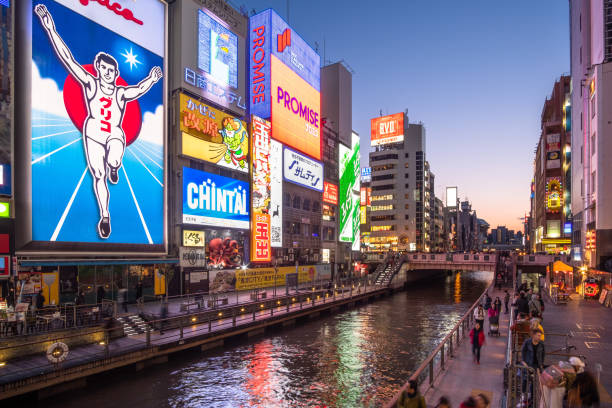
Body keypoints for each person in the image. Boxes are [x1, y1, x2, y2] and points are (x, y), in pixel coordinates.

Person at [34, 4, 162, 239]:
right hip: (92, 131)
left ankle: (115, 166)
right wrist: (50, 28)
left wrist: (152, 80)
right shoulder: (90, 84)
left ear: (115, 72)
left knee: (113, 156)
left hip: (114, 133)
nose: (107, 73)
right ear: (99, 69)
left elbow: (139, 89)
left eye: (111, 70)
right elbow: (69, 59)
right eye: (103, 69)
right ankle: (105, 216)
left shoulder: (121, 92)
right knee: (98, 176)